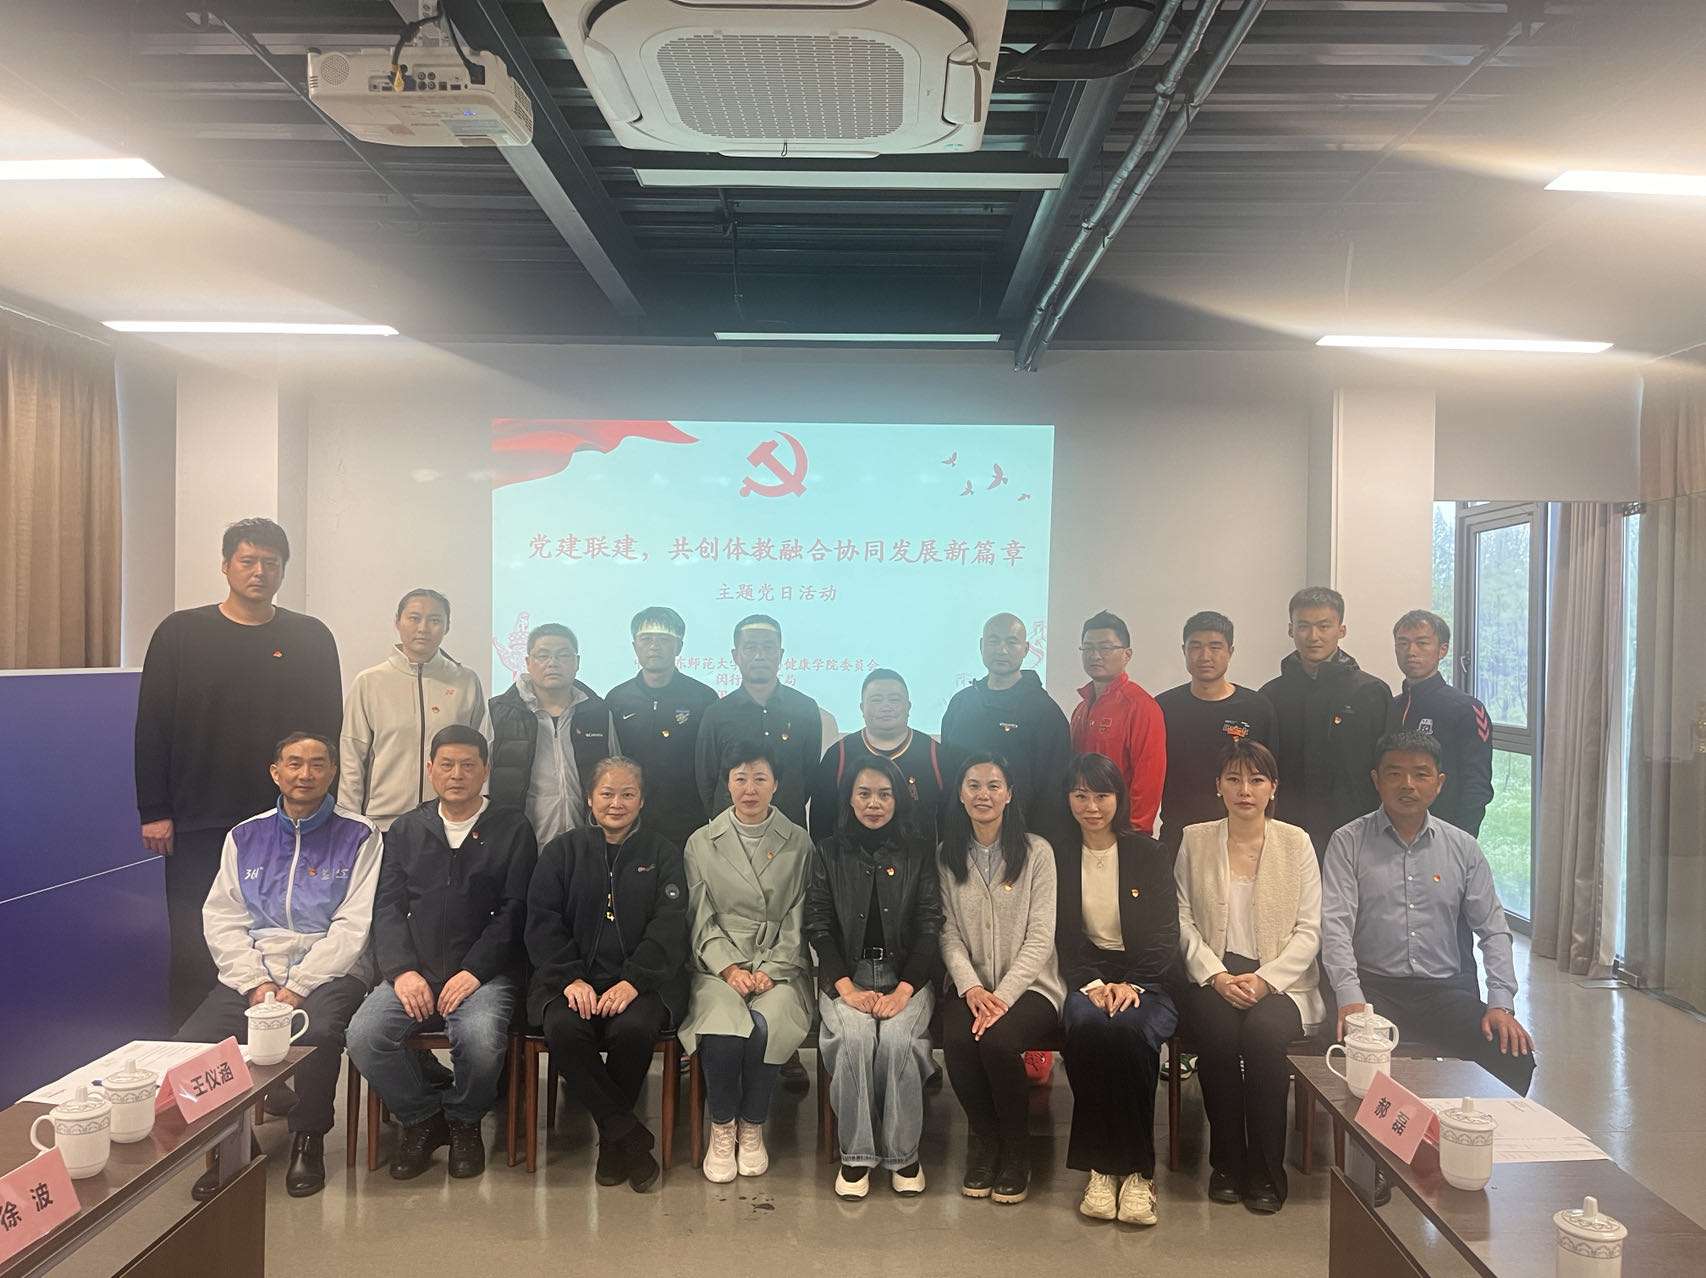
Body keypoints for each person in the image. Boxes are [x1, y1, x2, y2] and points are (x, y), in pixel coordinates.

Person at [136, 517, 342, 1029]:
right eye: (248, 561)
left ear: (283, 570)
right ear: (226, 565)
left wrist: (323, 807)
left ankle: (276, 1057)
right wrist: (155, 809)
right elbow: (152, 724)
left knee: (282, 943)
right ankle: (194, 1059)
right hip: (198, 818)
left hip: (285, 822)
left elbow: (328, 730)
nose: (259, 572)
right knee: (195, 943)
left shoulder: (311, 637)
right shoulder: (180, 632)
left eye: (271, 563)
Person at [176, 732, 380, 1198]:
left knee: (318, 1032)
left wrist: (301, 985)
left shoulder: (360, 835)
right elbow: (223, 916)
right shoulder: (244, 836)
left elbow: (354, 923)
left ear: (332, 772)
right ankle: (232, 1143)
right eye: (294, 763)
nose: (305, 774)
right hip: (256, 970)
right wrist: (255, 982)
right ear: (275, 772)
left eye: (317, 764)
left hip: (331, 969)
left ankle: (308, 1139)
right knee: (193, 1044)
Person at [345, 725, 536, 1181]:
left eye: (468, 765)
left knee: (479, 1039)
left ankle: (465, 1121)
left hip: (486, 973)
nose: (457, 774)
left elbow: (516, 909)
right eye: (447, 765)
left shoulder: (513, 827)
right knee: (365, 1037)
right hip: (416, 970)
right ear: (430, 769)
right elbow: (387, 905)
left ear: (486, 770)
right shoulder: (407, 829)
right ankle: (424, 1118)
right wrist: (402, 971)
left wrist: (475, 971)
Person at [1321, 731, 1536, 1095]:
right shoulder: (1348, 841)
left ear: (1439, 783)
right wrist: (1349, 995)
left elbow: (1494, 930)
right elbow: (1335, 927)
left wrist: (1501, 1003)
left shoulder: (1463, 847)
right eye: (1394, 773)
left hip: (1444, 992)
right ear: (1376, 780)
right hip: (1374, 990)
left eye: (1421, 774)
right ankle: (1380, 1133)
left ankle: (1470, 1130)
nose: (1407, 784)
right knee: (1356, 1061)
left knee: (1512, 1053)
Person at [527, 756, 689, 1193]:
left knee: (633, 1029)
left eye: (627, 794)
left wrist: (634, 980)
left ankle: (612, 1144)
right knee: (564, 1028)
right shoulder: (562, 851)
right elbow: (542, 921)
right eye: (607, 793)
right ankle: (626, 1133)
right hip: (571, 980)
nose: (616, 803)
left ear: (642, 800)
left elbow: (670, 924)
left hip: (642, 981)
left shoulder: (662, 852)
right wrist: (569, 978)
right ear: (589, 798)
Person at [1175, 738, 1323, 1214]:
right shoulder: (1195, 839)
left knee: (1262, 1036)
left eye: (1256, 780)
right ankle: (1226, 1164)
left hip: (1281, 981)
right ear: (1217, 785)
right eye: (1234, 779)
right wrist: (1216, 975)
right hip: (1214, 975)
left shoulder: (1296, 842)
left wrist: (1265, 980)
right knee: (1217, 1034)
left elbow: (1310, 928)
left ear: (1272, 788)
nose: (1245, 790)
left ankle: (1265, 1170)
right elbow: (1181, 919)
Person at [805, 756, 942, 1199]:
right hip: (848, 975)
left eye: (885, 794)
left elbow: (930, 926)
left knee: (899, 1040)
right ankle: (858, 1156)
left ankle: (904, 1156)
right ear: (849, 798)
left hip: (908, 977)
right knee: (856, 1038)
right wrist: (846, 988)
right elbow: (818, 926)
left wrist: (904, 991)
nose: (874, 803)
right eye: (864, 793)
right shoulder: (827, 852)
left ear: (898, 799)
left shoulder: (920, 852)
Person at [679, 742, 815, 1183]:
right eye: (740, 778)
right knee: (722, 1029)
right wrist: (730, 968)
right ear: (727, 784)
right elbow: (699, 917)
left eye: (760, 778)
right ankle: (722, 1125)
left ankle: (752, 1125)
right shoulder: (701, 842)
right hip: (717, 964)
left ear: (776, 784)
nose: (750, 789)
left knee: (763, 1027)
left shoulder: (799, 841)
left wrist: (771, 970)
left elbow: (800, 915)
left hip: (780, 964)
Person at [1054, 753, 1178, 1226]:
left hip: (1147, 977)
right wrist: (1092, 983)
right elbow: (1060, 934)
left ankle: (1140, 1174)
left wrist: (1134, 983)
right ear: (1068, 799)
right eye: (1080, 795)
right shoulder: (1058, 855)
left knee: (1130, 1032)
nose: (1091, 806)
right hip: (1086, 975)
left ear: (1119, 799)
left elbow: (1166, 934)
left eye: (1102, 795)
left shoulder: (1148, 853)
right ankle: (1102, 1170)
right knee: (1087, 1029)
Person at [937, 753, 1065, 1206]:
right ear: (960, 793)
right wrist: (972, 987)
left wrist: (1003, 997)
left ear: (1009, 794)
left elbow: (1041, 937)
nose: (983, 794)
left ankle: (1016, 1150)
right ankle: (985, 1141)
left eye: (994, 785)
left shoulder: (1037, 852)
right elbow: (947, 932)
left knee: (997, 1041)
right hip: (969, 985)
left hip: (1031, 988)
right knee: (957, 1041)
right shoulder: (947, 854)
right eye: (973, 785)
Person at [339, 589, 493, 832]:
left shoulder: (466, 681)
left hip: (451, 822)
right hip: (384, 821)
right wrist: (350, 822)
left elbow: (482, 754)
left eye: (434, 620)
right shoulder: (369, 682)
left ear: (447, 626)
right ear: (397, 621)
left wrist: (478, 815)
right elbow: (352, 756)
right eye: (414, 618)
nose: (423, 628)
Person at [1259, 587, 1390, 856]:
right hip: (1287, 830)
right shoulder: (1271, 696)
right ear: (1290, 630)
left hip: (1356, 831)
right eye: (1303, 626)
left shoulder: (1370, 692)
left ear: (1341, 630)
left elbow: (1387, 765)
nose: (1313, 636)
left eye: (1324, 626)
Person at [1155, 611, 1276, 859]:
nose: (1205, 656)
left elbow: (1271, 774)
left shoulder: (1257, 708)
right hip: (1179, 834)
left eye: (1215, 646)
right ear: (1184, 650)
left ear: (1230, 651)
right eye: (1195, 646)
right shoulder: (1163, 708)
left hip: (1241, 834)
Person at [941, 613, 1072, 841]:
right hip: (963, 836)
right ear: (981, 645)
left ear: (1026, 648)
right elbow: (949, 774)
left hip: (1022, 838)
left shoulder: (1044, 711)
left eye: (1011, 642)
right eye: (994, 641)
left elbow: (1052, 790)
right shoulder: (960, 703)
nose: (1002, 650)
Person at [488, 623, 620, 846]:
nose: (552, 663)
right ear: (528, 662)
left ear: (577, 662)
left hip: (586, 842)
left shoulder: (597, 713)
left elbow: (615, 773)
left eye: (563, 655)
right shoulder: (499, 713)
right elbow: (483, 779)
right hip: (521, 843)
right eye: (543, 655)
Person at [603, 606, 719, 849]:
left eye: (664, 639)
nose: (654, 646)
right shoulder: (617, 699)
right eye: (646, 639)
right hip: (630, 821)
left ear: (679, 646)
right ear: (635, 646)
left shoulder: (703, 698)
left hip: (688, 822)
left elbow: (711, 764)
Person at [808, 668, 964, 847]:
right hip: (850, 862)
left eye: (894, 699)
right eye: (876, 700)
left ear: (908, 706)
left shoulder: (936, 755)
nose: (886, 707)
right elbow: (821, 823)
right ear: (862, 708)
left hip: (922, 863)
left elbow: (951, 820)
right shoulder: (838, 755)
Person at [695, 615, 823, 829]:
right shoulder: (716, 713)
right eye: (751, 647)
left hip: (788, 830)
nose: (760, 655)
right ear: (735, 656)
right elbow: (706, 779)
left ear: (781, 654)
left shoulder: (805, 709)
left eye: (768, 647)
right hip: (730, 832)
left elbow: (808, 777)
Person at [1387, 610, 1494, 836]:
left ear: (1442, 650)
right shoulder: (1391, 707)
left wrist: (1462, 840)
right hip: (1391, 829)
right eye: (1403, 643)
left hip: (1444, 832)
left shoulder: (1466, 709)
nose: (1411, 651)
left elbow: (1477, 785)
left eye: (1422, 643)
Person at [1068, 611, 1167, 836]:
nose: (1095, 655)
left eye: (1105, 648)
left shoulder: (1140, 707)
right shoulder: (1081, 709)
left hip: (1121, 833)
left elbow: (1148, 780)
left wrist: (1134, 834)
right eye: (1088, 648)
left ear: (1127, 654)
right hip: (1082, 829)